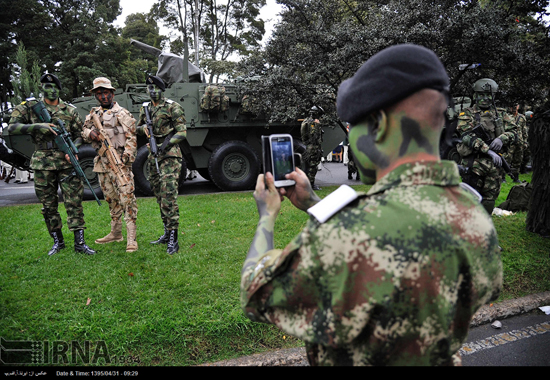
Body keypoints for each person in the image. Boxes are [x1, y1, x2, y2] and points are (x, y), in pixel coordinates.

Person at [240, 44, 502, 366]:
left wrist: (266, 216)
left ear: (378, 125)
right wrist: (312, 202)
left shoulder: (348, 235)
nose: (350, 139)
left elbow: (255, 293)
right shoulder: (473, 211)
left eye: (353, 126)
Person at [7, 73, 95, 255]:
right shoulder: (30, 108)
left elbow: (79, 134)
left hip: (66, 161)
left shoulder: (69, 110)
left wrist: (74, 151)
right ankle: (58, 242)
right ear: (42, 88)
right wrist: (38, 126)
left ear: (59, 89)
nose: (51, 90)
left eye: (54, 86)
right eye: (47, 86)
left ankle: (80, 243)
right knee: (48, 205)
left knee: (74, 202)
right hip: (42, 162)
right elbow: (12, 127)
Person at [81, 77, 139, 252]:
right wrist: (90, 133)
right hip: (102, 164)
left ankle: (131, 238)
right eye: (99, 93)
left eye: (106, 92)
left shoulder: (123, 114)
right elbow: (83, 130)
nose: (103, 96)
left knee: (127, 198)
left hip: (120, 162)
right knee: (110, 198)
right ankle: (116, 233)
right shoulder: (93, 114)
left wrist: (126, 157)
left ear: (112, 93)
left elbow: (132, 138)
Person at [136, 75, 187, 254]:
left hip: (170, 156)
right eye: (150, 88)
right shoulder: (145, 108)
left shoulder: (173, 107)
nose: (153, 91)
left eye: (156, 88)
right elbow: (136, 128)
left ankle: (174, 237)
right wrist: (142, 129)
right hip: (153, 157)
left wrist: (163, 145)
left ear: (162, 90)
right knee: (158, 194)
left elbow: (182, 132)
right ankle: (166, 232)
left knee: (168, 195)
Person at [455, 78, 517, 214]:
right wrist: (488, 151)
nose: (484, 98)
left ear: (493, 96)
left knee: (490, 198)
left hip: (495, 166)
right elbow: (466, 135)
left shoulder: (501, 113)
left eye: (488, 95)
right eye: (481, 95)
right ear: (475, 95)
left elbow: (514, 132)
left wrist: (502, 138)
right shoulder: (467, 113)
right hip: (474, 163)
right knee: (469, 196)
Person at [300, 106, 324, 190]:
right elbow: (314, 136)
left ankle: (308, 184)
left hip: (309, 146)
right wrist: (317, 125)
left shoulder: (306, 121)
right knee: (313, 167)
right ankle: (311, 184)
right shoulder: (313, 123)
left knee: (309, 166)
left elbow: (304, 137)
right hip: (313, 146)